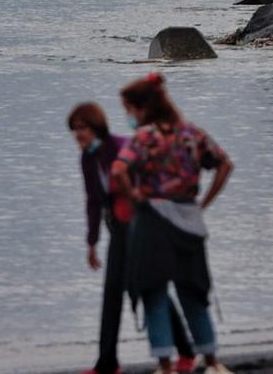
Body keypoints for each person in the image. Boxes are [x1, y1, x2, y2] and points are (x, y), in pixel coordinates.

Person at [111, 73, 235, 374]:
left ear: (141, 108)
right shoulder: (191, 133)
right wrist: (204, 202)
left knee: (153, 293)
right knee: (193, 293)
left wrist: (136, 196)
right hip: (189, 221)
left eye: (129, 110)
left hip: (153, 222)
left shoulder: (145, 137)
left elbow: (118, 170)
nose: (128, 116)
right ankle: (212, 361)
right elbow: (224, 164)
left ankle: (166, 365)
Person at [69, 102, 198, 374]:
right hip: (118, 229)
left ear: (95, 127)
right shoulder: (88, 158)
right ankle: (107, 363)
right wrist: (91, 242)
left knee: (150, 287)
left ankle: (186, 351)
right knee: (112, 293)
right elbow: (93, 201)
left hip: (141, 226)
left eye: (82, 128)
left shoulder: (120, 148)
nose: (77, 135)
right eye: (74, 130)